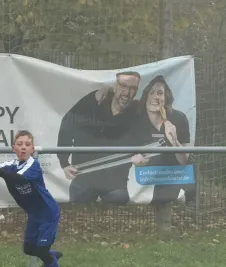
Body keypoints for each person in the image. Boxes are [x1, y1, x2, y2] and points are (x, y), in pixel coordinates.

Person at [0, 130, 69, 267]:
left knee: (42, 248)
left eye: (27, 145)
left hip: (48, 212)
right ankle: (52, 256)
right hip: (34, 214)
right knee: (29, 248)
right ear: (13, 148)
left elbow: (18, 178)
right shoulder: (10, 165)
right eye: (19, 144)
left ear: (32, 149)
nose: (23, 148)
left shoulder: (34, 165)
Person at [57, 71, 142, 205]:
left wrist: (141, 157)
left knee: (117, 213)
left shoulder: (137, 113)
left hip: (115, 186)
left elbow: (146, 140)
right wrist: (64, 162)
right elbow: (68, 121)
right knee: (78, 219)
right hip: (83, 180)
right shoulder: (94, 102)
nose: (127, 92)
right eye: (123, 86)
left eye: (133, 88)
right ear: (115, 86)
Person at [128, 75, 195, 204]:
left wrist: (175, 142)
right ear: (146, 96)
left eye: (160, 93)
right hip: (143, 178)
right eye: (151, 93)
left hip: (172, 176)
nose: (155, 97)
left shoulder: (178, 119)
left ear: (166, 98)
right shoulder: (135, 119)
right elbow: (128, 153)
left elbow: (184, 160)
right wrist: (135, 160)